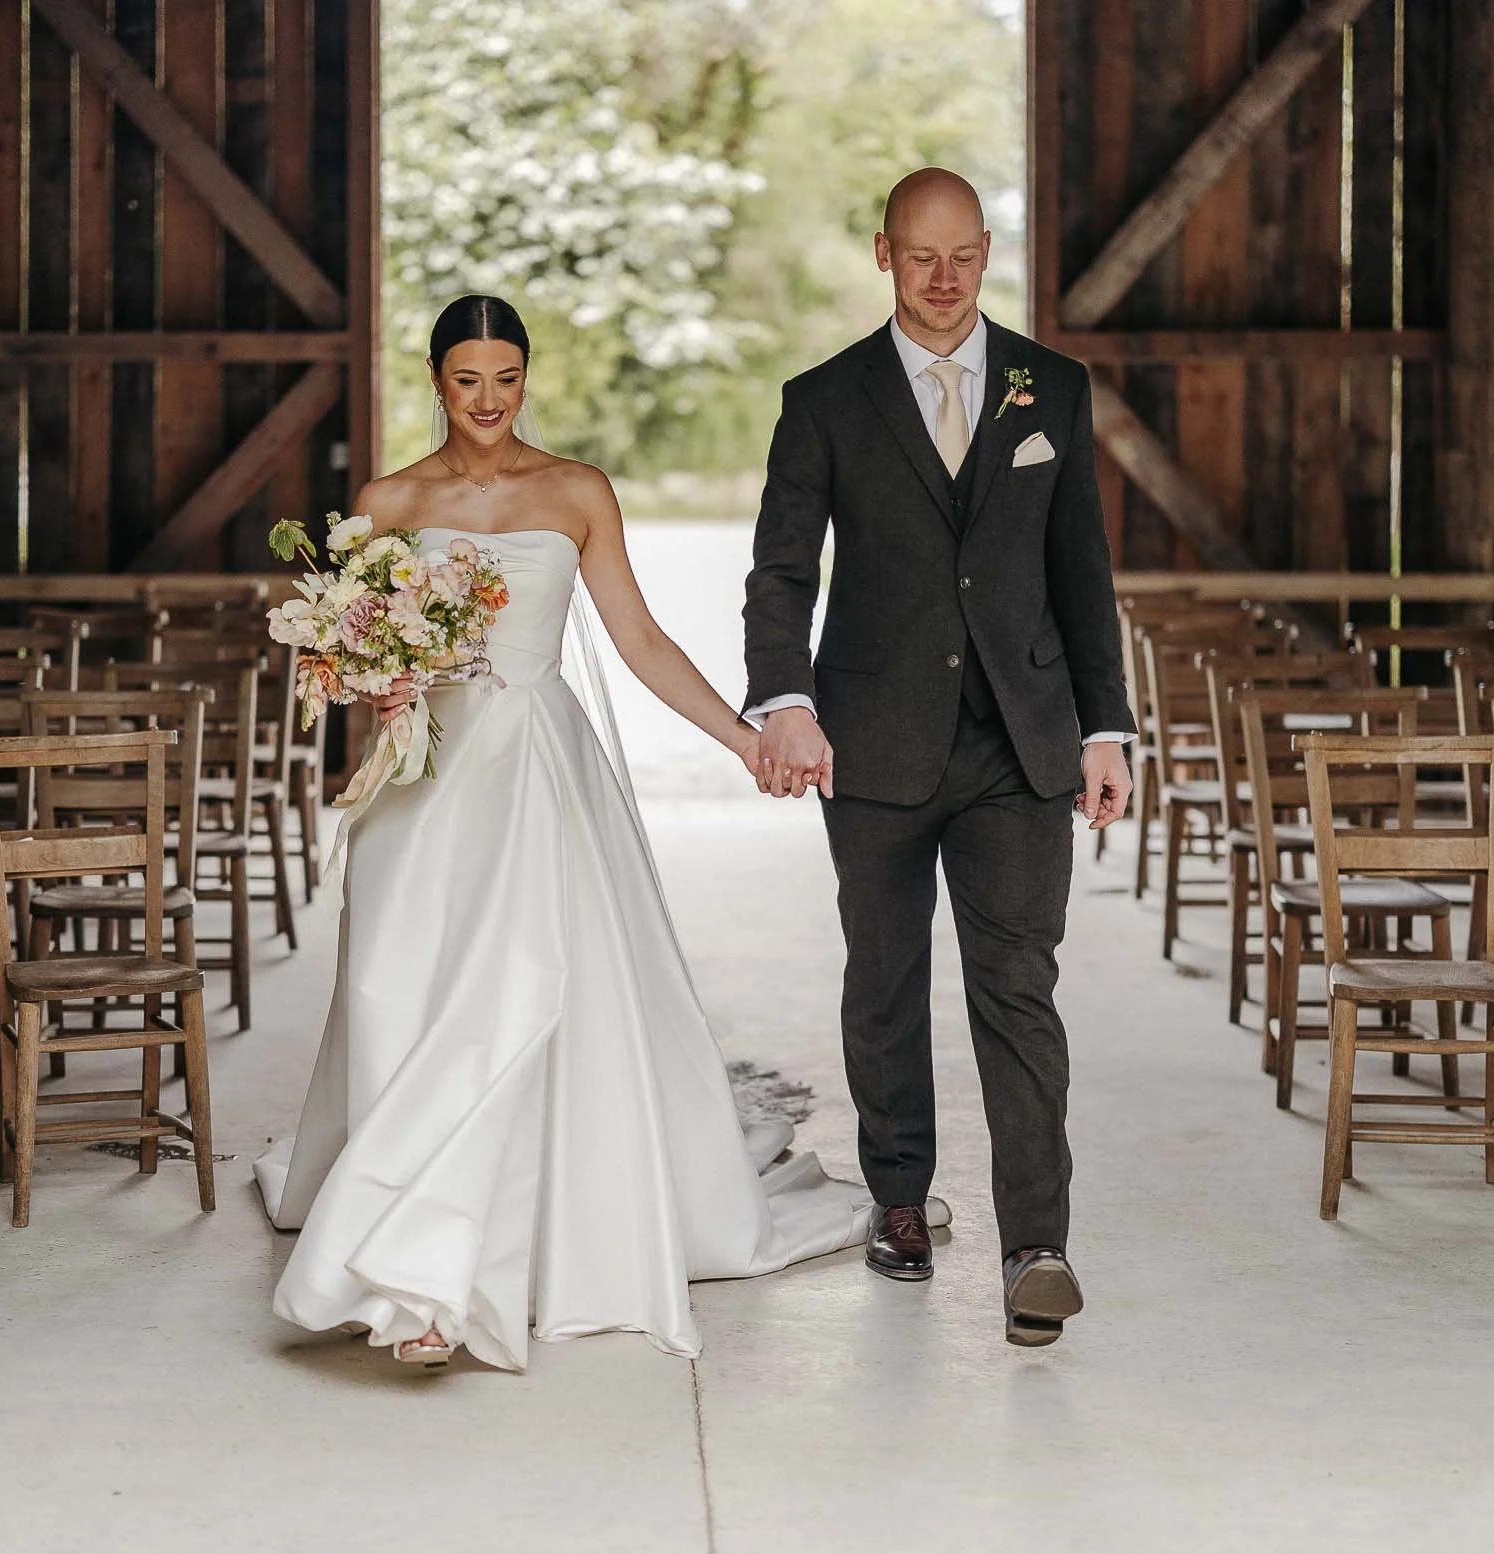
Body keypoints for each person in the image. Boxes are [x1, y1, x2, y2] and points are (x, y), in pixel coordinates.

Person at [254, 294, 942, 1372]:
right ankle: (409, 1231)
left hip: (534, 776)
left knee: (513, 996)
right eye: (468, 379)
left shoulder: (574, 492)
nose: (488, 400)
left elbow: (639, 640)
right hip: (421, 787)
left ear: (526, 378)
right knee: (407, 995)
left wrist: (745, 736)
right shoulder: (389, 498)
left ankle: (436, 1278)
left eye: (507, 377)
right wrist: (375, 685)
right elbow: (338, 650)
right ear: (436, 381)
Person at [742, 168, 1134, 1347]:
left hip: (1021, 743)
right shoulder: (824, 399)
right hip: (871, 742)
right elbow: (779, 573)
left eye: (963, 254)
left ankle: (1036, 1245)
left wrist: (1104, 728)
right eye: (920, 256)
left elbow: (1080, 574)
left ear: (982, 253)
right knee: (885, 980)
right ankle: (899, 1200)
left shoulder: (1047, 388)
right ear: (881, 254)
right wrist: (784, 700)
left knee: (1017, 989)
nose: (945, 277)